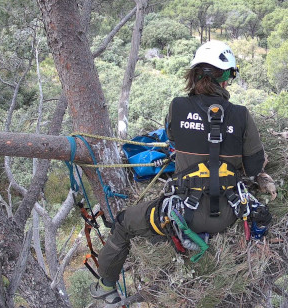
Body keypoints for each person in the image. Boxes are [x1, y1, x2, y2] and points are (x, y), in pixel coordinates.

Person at [91, 40, 274, 305]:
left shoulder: (178, 107)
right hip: (229, 215)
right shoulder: (242, 116)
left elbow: (173, 137)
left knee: (124, 223)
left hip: (181, 213)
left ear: (195, 75)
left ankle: (105, 288)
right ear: (225, 78)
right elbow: (255, 167)